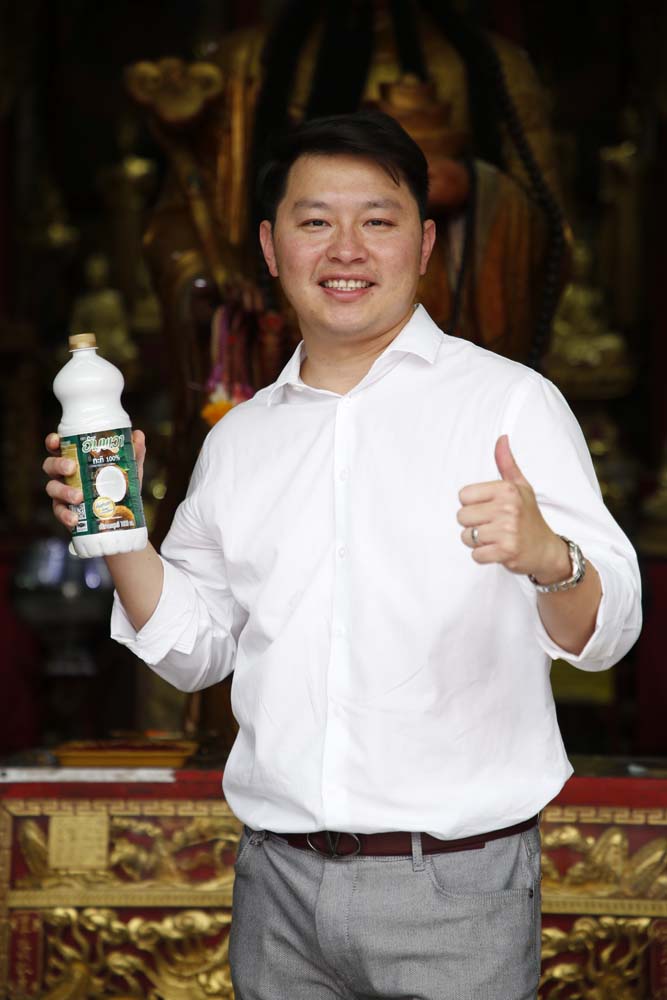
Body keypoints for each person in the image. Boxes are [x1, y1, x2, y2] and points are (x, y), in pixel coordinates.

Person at [44, 111, 641, 1000]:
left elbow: (607, 632)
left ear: (424, 244)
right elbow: (197, 649)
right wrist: (120, 535)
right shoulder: (239, 439)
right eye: (315, 220)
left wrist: (550, 557)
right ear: (270, 246)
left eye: (378, 220)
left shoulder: (509, 404)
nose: (346, 249)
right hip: (277, 889)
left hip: (454, 889)